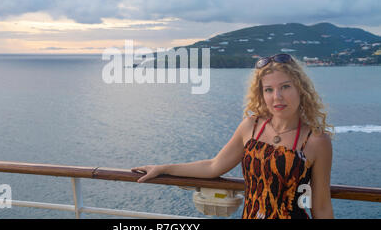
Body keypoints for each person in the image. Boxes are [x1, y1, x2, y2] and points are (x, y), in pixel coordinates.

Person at [132, 53, 334, 219]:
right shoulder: (251, 127)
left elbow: (322, 207)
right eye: (269, 90)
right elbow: (213, 166)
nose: (277, 97)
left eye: (285, 87)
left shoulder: (317, 141)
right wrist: (163, 168)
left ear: (301, 89)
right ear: (261, 94)